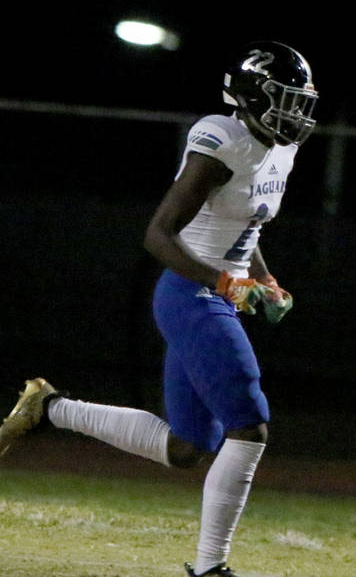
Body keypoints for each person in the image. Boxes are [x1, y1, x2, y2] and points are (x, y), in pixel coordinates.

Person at [0, 40, 319, 577]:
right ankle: (209, 567)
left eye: (299, 101)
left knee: (187, 447)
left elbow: (248, 223)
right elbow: (159, 234)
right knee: (250, 428)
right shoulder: (223, 141)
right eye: (284, 99)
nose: (295, 113)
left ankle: (49, 408)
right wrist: (224, 282)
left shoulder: (280, 149)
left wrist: (262, 277)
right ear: (249, 96)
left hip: (219, 294)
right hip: (191, 295)